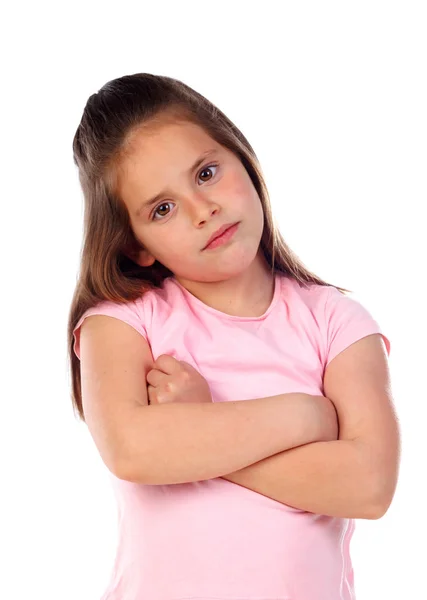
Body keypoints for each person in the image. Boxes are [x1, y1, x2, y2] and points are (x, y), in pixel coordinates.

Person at [68, 73, 400, 600]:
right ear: (137, 247)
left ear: (242, 156)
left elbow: (369, 486)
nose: (204, 211)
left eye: (206, 172)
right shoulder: (124, 322)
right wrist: (307, 416)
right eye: (163, 208)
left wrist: (198, 425)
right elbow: (133, 450)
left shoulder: (336, 321)